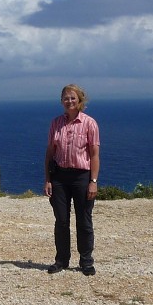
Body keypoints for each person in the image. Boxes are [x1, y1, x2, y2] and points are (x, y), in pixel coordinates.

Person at [44, 84, 101, 275]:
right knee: (61, 220)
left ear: (80, 100)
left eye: (73, 98)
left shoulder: (89, 123)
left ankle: (86, 261)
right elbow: (50, 153)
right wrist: (48, 179)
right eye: (66, 98)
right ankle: (61, 260)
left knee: (84, 221)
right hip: (59, 177)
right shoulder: (55, 123)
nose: (69, 101)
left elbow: (94, 155)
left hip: (81, 177)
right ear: (61, 101)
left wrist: (93, 181)